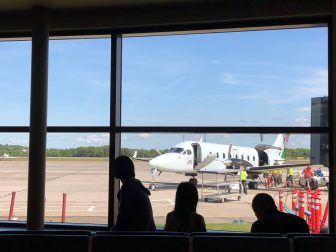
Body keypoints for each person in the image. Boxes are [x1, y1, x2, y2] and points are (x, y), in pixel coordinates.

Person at [113, 155, 156, 231]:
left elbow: (122, 221)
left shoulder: (128, 188)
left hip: (137, 237)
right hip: (145, 236)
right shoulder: (136, 185)